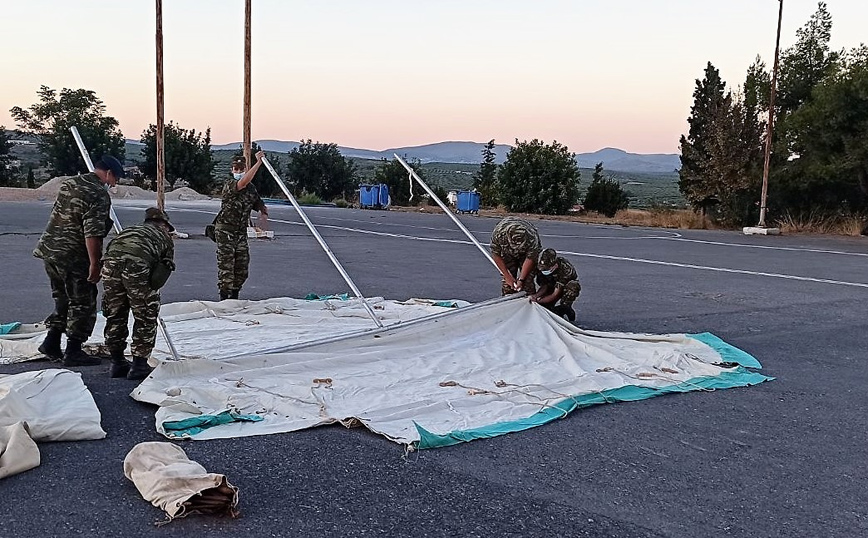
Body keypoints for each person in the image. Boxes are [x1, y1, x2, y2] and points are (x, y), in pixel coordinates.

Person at [34, 154, 123, 366]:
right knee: (83, 301)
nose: (114, 184)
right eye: (115, 179)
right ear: (109, 173)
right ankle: (73, 350)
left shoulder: (70, 183)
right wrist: (95, 262)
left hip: (51, 251)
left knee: (63, 298)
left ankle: (52, 342)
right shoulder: (98, 194)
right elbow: (92, 233)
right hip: (74, 256)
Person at [101, 207, 176, 380]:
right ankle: (139, 365)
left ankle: (117, 362)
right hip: (138, 266)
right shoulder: (164, 237)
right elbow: (160, 276)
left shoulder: (129, 230)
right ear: (163, 224)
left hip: (110, 266)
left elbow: (111, 249)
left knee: (115, 313)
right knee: (145, 315)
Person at [214, 150, 268, 300]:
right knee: (227, 266)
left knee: (242, 267)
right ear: (232, 170)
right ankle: (224, 298)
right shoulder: (230, 184)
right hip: (225, 230)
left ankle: (235, 296)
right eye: (236, 169)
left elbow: (258, 203)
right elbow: (242, 183)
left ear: (245, 169)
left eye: (241, 169)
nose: (239, 171)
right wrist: (259, 163)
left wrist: (263, 213)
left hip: (240, 232)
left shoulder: (251, 189)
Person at [489, 216, 541, 296]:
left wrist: (521, 279)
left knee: (527, 281)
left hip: (526, 253)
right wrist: (507, 276)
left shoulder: (532, 237)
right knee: (508, 284)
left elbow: (530, 258)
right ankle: (507, 303)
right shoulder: (499, 234)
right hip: (507, 252)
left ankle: (529, 302)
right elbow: (496, 255)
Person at [529, 248, 581, 322]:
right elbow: (544, 286)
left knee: (572, 287)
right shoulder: (541, 268)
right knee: (545, 309)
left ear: (555, 266)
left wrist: (539, 301)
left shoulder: (565, 268)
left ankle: (567, 309)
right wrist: (536, 296)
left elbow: (555, 294)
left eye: (546, 269)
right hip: (551, 286)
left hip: (565, 288)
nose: (544, 271)